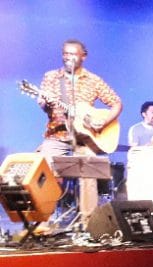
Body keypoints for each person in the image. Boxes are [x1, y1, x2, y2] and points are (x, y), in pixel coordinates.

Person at [36, 38, 123, 220]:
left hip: (85, 138)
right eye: (65, 54)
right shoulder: (51, 77)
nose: (68, 57)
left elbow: (116, 103)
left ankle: (88, 222)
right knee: (42, 171)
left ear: (83, 56)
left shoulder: (93, 80)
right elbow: (44, 106)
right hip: (57, 134)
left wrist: (103, 121)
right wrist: (44, 102)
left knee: (89, 175)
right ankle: (42, 221)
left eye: (73, 54)